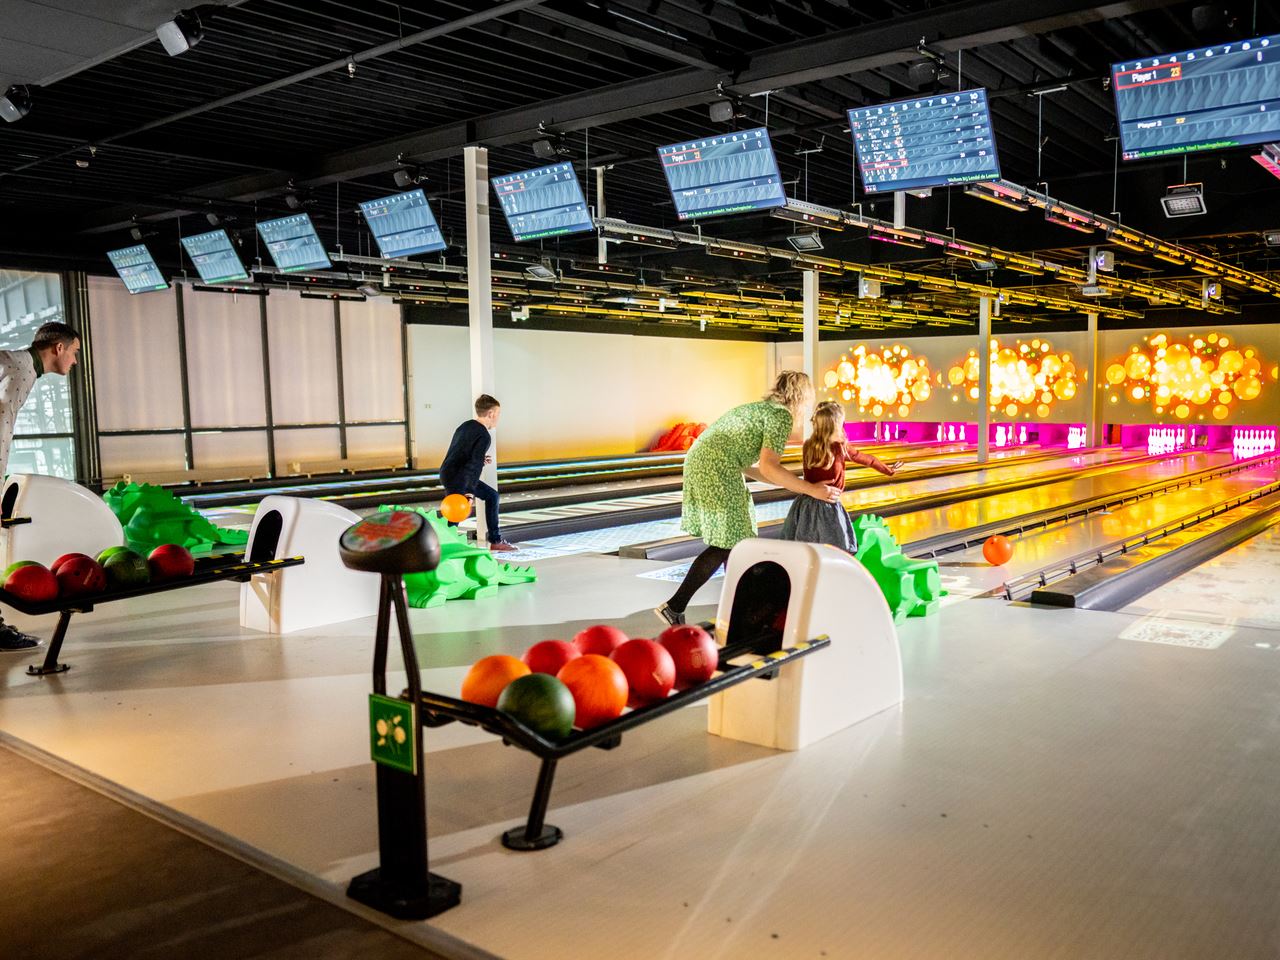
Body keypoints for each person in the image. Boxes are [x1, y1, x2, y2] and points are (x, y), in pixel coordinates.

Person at [655, 371, 840, 627]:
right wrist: (810, 489)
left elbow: (757, 469)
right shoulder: (780, 416)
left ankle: (737, 608)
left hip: (703, 461)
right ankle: (676, 606)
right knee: (731, 541)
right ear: (801, 396)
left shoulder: (759, 409)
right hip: (716, 467)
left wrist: (798, 485)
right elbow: (769, 467)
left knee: (735, 540)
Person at [0, 322, 81, 650]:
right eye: (74, 352)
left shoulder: (14, 362)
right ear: (58, 348)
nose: (75, 361)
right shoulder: (21, 371)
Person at [780, 401, 900, 554]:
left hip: (805, 506)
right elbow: (868, 460)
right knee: (835, 550)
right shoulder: (841, 448)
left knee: (806, 549)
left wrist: (888, 470)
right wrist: (889, 470)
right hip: (829, 506)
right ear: (835, 425)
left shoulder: (809, 446)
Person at [438, 394, 516, 552]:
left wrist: (480, 458)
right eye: (498, 414)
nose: (498, 418)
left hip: (448, 472)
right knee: (458, 510)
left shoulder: (465, 425)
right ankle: (494, 541)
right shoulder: (484, 435)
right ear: (491, 414)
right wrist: (469, 492)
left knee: (461, 508)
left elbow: (460, 452)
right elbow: (473, 466)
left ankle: (444, 543)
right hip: (460, 476)